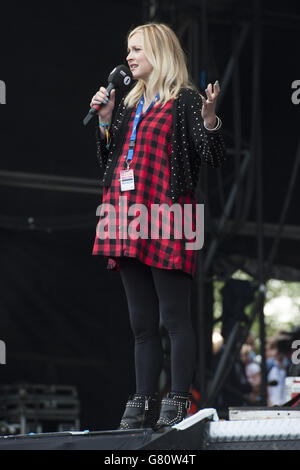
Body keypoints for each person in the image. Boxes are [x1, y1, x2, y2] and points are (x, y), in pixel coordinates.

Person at [90, 22, 226, 430]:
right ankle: (142, 398)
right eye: (127, 50)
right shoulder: (128, 103)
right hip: (125, 214)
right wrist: (105, 122)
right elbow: (109, 163)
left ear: (159, 52)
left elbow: (211, 157)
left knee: (174, 318)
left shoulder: (184, 100)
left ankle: (179, 395)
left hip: (168, 215)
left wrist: (210, 120)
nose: (128, 57)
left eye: (137, 49)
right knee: (141, 323)